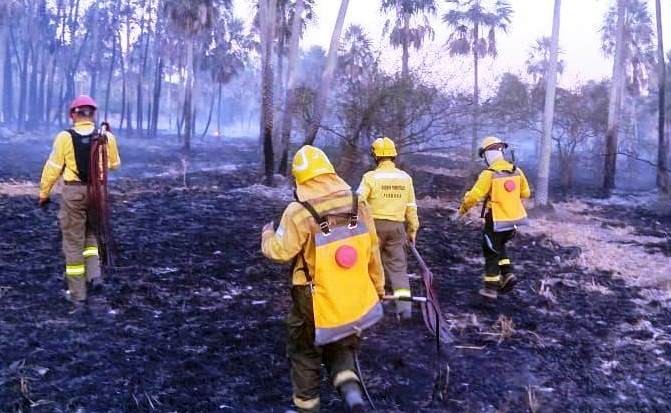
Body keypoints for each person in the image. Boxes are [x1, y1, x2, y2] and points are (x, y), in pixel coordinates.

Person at [261, 145, 384, 413]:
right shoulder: (358, 202)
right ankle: (350, 390)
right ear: (330, 170)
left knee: (304, 351)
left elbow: (280, 252)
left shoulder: (298, 211)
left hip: (313, 297)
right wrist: (378, 288)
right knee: (341, 341)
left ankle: (308, 406)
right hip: (354, 291)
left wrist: (267, 235)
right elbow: (373, 250)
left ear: (299, 178)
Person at [38, 95, 121, 305]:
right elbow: (114, 164)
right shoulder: (106, 137)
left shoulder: (64, 137)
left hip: (73, 193)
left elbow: (53, 168)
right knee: (91, 234)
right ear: (93, 114)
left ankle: (77, 294)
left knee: (73, 242)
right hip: (97, 193)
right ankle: (94, 275)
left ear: (73, 115)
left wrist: (44, 193)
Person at [457, 136, 530, 299]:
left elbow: (473, 197)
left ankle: (490, 288)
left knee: (490, 250)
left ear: (487, 155)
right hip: (514, 221)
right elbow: (526, 193)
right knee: (499, 246)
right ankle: (508, 274)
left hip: (496, 220)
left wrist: (462, 210)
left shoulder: (489, 174)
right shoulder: (517, 171)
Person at [357, 137, 419, 320]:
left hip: (373, 227)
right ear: (393, 156)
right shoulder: (405, 178)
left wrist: (355, 224)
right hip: (397, 228)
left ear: (375, 156)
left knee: (369, 264)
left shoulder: (370, 177)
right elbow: (411, 207)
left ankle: (368, 305)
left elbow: (358, 201)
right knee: (398, 268)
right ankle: (404, 308)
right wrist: (412, 230)